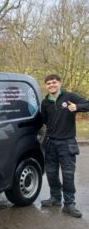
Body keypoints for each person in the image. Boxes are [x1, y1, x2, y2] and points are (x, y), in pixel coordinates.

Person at [40, 74, 89, 218]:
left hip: (67, 143)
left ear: (60, 83)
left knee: (68, 174)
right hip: (50, 142)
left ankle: (69, 204)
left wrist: (78, 107)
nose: (51, 85)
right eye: (48, 83)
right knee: (51, 173)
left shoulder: (70, 96)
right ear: (46, 86)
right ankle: (55, 198)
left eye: (54, 82)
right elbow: (43, 120)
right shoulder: (45, 102)